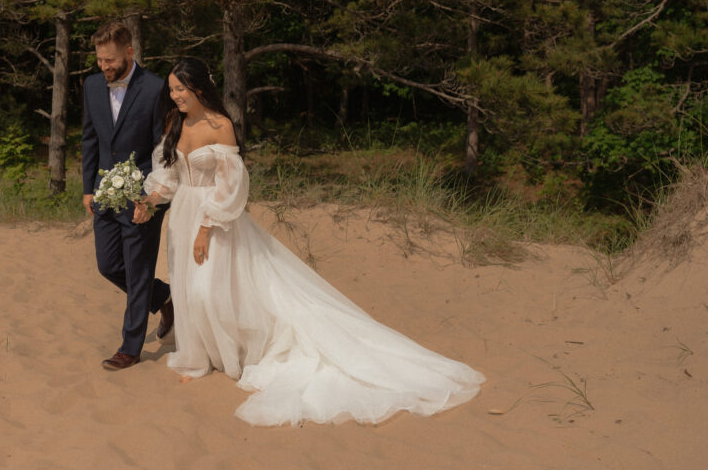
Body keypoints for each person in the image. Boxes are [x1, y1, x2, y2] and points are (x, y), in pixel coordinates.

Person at [132, 58, 484, 426]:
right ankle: (197, 358)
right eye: (171, 90)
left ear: (200, 88)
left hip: (213, 217)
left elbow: (231, 186)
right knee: (188, 290)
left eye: (180, 89)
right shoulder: (174, 122)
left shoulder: (221, 126)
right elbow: (167, 178)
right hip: (183, 215)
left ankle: (238, 352)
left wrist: (207, 227)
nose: (175, 96)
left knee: (208, 290)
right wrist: (148, 202)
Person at [81, 22, 173, 370]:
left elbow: (161, 150)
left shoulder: (154, 88)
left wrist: (149, 198)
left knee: (137, 271)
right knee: (108, 266)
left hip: (143, 198)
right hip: (104, 193)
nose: (104, 67)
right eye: (100, 60)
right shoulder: (91, 86)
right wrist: (88, 188)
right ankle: (162, 296)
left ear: (130, 53)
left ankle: (130, 348)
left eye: (111, 60)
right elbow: (90, 138)